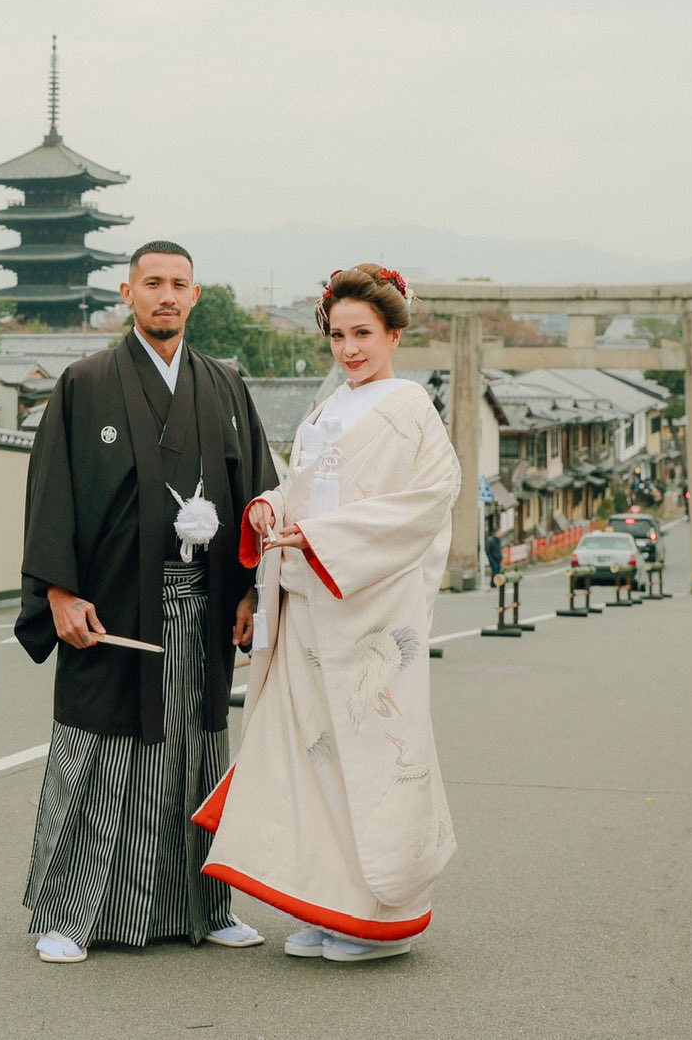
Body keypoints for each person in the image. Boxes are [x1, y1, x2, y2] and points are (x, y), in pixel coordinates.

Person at [14, 241, 278, 963]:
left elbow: (259, 490)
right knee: (101, 753)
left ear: (198, 295)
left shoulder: (224, 384)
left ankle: (208, 907)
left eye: (179, 285)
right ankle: (71, 914)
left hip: (204, 602)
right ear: (126, 292)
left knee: (195, 752)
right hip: (113, 608)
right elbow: (51, 492)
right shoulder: (85, 382)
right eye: (152, 283)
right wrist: (60, 592)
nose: (166, 296)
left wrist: (253, 590)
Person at [196, 263, 460, 962]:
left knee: (366, 759)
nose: (350, 349)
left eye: (364, 334)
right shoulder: (325, 410)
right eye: (339, 335)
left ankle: (376, 915)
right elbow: (302, 490)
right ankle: (327, 903)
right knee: (311, 756)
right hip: (311, 604)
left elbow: (430, 501)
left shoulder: (409, 408)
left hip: (367, 612)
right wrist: (271, 511)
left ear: (395, 333)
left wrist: (320, 536)